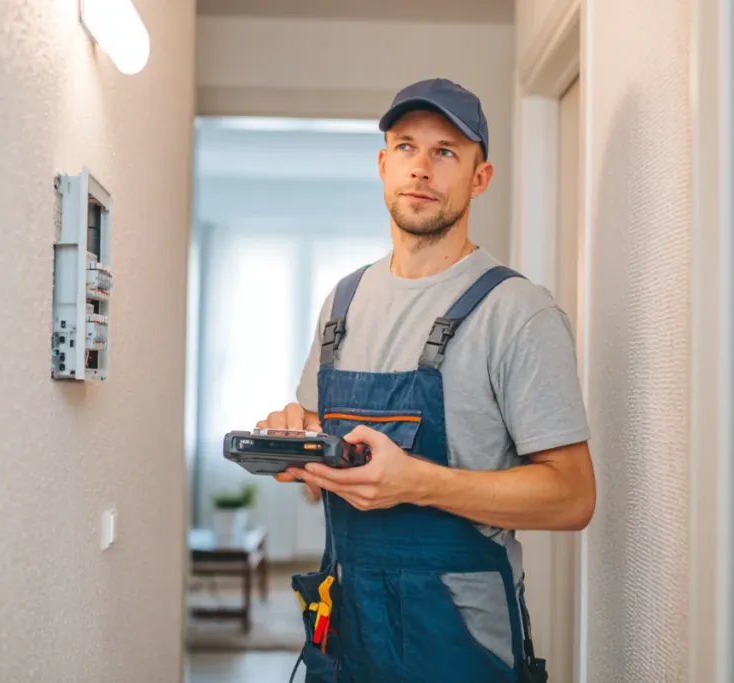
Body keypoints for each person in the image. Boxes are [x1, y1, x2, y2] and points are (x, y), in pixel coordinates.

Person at [257, 77, 596, 683]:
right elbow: (322, 483)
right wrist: (299, 444)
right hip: (346, 638)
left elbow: (572, 497)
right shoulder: (342, 302)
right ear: (384, 165)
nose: (421, 168)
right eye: (407, 147)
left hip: (461, 648)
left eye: (445, 152)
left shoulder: (518, 312)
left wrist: (416, 482)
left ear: (479, 177)